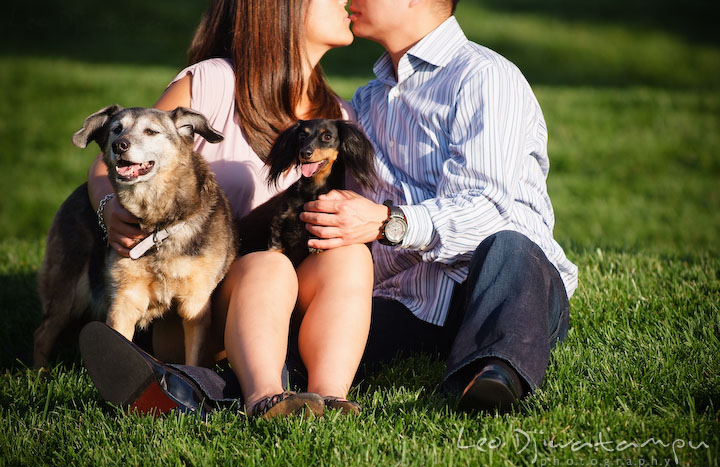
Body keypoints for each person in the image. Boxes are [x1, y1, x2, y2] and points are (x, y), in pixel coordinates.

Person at [81, 0, 372, 418]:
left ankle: (328, 396)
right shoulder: (215, 83)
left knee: (351, 257)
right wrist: (109, 207)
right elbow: (111, 162)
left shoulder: (338, 118)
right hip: (197, 297)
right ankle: (267, 397)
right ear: (282, 10)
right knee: (268, 267)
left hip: (288, 307)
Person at [297, 0, 579, 412]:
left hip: (502, 287)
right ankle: (200, 386)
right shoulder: (369, 102)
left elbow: (488, 208)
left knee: (511, 247)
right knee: (313, 338)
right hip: (413, 301)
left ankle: (493, 376)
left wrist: (388, 222)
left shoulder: (484, 77)